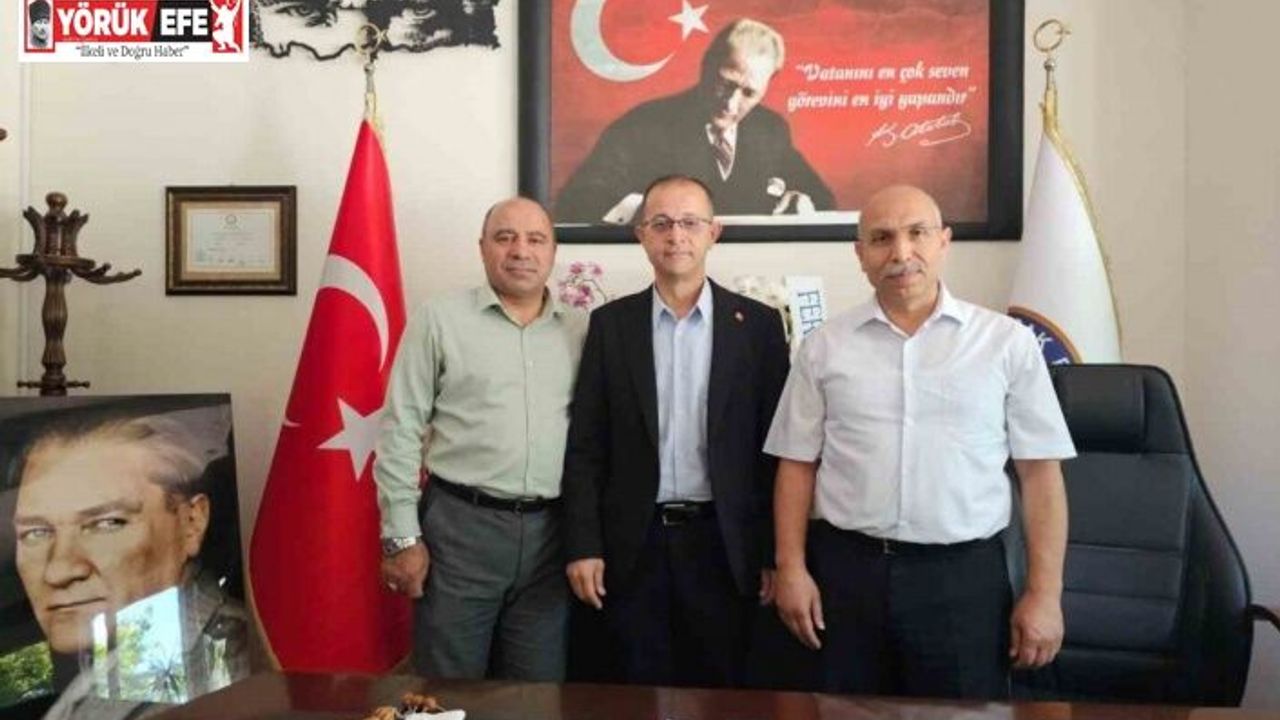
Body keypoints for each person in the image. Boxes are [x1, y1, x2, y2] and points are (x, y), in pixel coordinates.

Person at [765, 185, 1075, 699]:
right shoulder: (824, 348)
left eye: (917, 233)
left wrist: (1045, 593)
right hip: (846, 575)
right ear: (860, 253)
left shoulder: (1006, 343)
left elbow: (1040, 475)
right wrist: (791, 568)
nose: (901, 252)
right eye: (882, 238)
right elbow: (796, 465)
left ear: (944, 242)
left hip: (963, 580)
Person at [562, 175, 790, 687]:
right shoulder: (611, 325)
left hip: (725, 546)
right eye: (661, 223)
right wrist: (583, 544)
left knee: (723, 694)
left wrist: (774, 554)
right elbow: (586, 447)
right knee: (632, 692)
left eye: (690, 222)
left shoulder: (757, 327)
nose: (676, 235)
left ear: (714, 232)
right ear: (641, 234)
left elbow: (775, 455)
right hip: (632, 545)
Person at [375, 197, 587, 681]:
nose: (521, 251)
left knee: (536, 696)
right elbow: (401, 428)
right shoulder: (439, 319)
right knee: (448, 690)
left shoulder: (580, 330)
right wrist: (401, 536)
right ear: (482, 247)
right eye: (505, 237)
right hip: (459, 531)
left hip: (551, 539)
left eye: (536, 239)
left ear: (553, 252)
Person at [11, 405, 249, 687]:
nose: (58, 570)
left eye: (107, 523)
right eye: (36, 532)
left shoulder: (229, 668)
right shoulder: (115, 667)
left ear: (191, 523)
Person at [556, 18, 835, 224]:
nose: (731, 103)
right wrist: (652, 213)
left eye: (749, 93)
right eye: (726, 83)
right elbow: (578, 199)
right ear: (706, 67)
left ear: (766, 88)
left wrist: (803, 202)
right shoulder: (643, 125)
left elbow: (823, 200)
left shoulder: (770, 130)